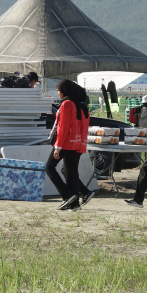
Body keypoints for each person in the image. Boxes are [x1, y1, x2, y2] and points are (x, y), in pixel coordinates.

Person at [45, 80, 93, 210]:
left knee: (49, 167)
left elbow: (63, 127)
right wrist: (81, 144)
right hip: (76, 143)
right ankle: (75, 203)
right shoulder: (80, 106)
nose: (58, 93)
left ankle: (67, 195)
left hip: (66, 142)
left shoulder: (67, 104)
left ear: (65, 91)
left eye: (59, 90)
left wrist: (58, 147)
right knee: (70, 172)